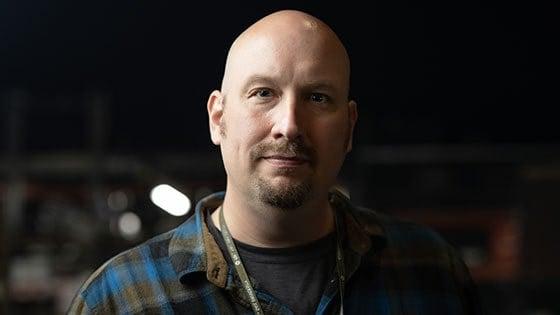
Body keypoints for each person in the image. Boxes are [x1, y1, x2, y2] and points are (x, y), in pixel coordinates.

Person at [68, 9, 482, 315]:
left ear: (349, 128)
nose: (289, 125)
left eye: (318, 97)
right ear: (219, 118)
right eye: (264, 93)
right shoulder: (120, 299)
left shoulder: (431, 271)